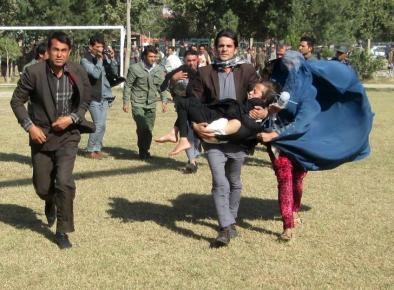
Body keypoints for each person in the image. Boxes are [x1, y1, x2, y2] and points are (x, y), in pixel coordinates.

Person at [258, 51, 373, 241]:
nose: (289, 71)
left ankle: (294, 210)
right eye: (285, 66)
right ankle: (288, 225)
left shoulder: (309, 94)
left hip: (302, 141)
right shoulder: (273, 85)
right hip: (278, 143)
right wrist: (266, 113)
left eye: (292, 67)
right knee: (284, 177)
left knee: (297, 179)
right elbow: (258, 104)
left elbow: (303, 122)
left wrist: (277, 132)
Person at [10, 31, 94, 249]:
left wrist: (72, 118)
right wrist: (30, 127)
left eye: (64, 50)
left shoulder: (77, 71)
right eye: (55, 50)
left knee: (64, 181)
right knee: (42, 186)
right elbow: (17, 101)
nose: (59, 54)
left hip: (68, 135)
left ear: (69, 52)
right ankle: (49, 200)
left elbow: (85, 100)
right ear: (47, 51)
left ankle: (63, 231)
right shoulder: (34, 72)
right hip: (42, 135)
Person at [190, 29, 262, 246]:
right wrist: (195, 125)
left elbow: (261, 94)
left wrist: (263, 110)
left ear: (235, 48)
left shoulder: (247, 70)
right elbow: (192, 103)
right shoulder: (203, 72)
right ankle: (224, 227)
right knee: (220, 181)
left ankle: (231, 221)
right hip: (212, 135)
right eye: (220, 45)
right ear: (215, 47)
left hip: (239, 134)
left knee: (234, 181)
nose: (224, 49)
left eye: (228, 46)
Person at [159, 81, 277, 156]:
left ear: (264, 99)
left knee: (184, 102)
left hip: (216, 124)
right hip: (217, 127)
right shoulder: (256, 106)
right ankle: (176, 134)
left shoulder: (256, 103)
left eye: (255, 91)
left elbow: (241, 118)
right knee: (186, 104)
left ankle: (179, 136)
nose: (250, 92)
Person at [155, 49, 202, 173]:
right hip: (183, 107)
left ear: (198, 60)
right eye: (188, 61)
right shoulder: (181, 70)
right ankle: (192, 161)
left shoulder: (204, 72)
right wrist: (173, 80)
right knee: (186, 133)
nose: (191, 63)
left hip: (200, 109)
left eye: (193, 60)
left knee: (197, 136)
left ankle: (174, 133)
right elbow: (164, 85)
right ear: (184, 61)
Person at [123, 45, 169, 160]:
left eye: (155, 56)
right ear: (144, 56)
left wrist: (164, 101)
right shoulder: (135, 68)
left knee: (148, 129)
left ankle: (145, 150)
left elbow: (162, 87)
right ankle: (142, 150)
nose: (153, 59)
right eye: (151, 56)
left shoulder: (159, 69)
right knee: (142, 126)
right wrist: (126, 102)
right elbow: (128, 86)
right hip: (138, 102)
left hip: (151, 103)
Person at [81, 34, 119, 159]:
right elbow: (95, 74)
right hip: (93, 96)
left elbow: (114, 72)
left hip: (105, 96)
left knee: (102, 125)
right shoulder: (85, 60)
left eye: (101, 47)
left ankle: (97, 148)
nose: (100, 49)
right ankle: (90, 150)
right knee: (97, 124)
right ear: (90, 47)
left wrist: (112, 59)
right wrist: (100, 60)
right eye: (97, 47)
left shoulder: (103, 57)